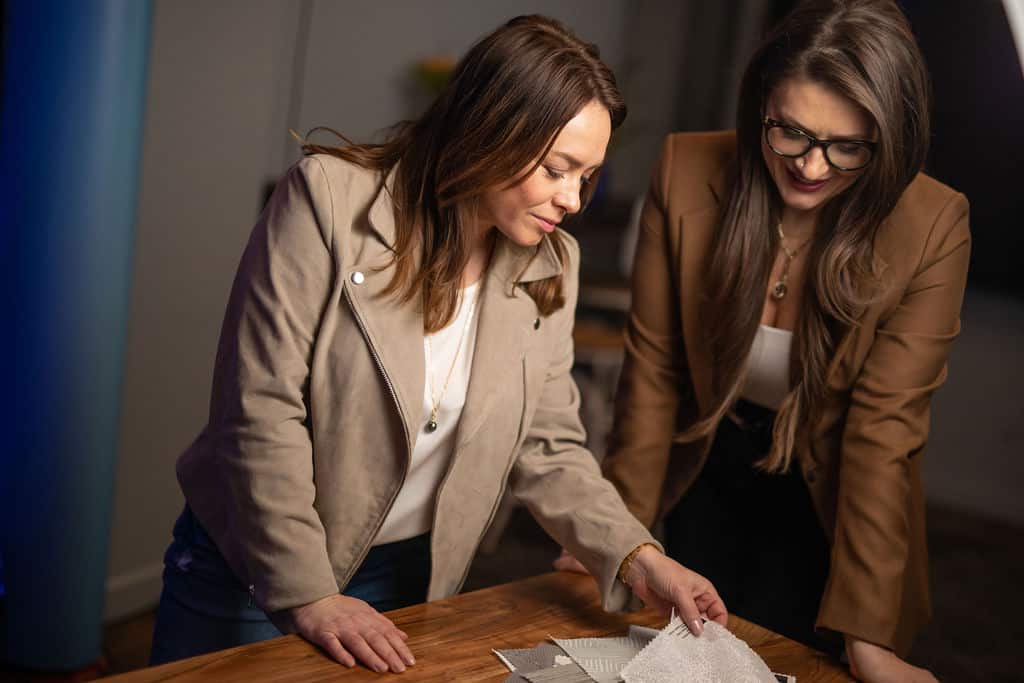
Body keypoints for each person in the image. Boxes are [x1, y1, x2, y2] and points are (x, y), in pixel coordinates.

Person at [149, 15, 727, 671]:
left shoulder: (552, 265)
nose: (572, 199)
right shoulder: (326, 201)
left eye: (586, 176)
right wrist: (310, 594)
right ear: (491, 131)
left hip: (409, 574)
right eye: (557, 169)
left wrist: (637, 556)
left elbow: (548, 446)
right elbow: (258, 411)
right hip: (258, 563)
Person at [555, 1, 967, 681]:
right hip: (703, 463)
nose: (811, 166)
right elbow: (654, 369)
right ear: (761, 107)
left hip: (829, 492)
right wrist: (616, 538)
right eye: (791, 132)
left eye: (847, 146)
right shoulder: (686, 167)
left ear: (887, 138)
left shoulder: (934, 222)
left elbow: (882, 432)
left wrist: (867, 633)